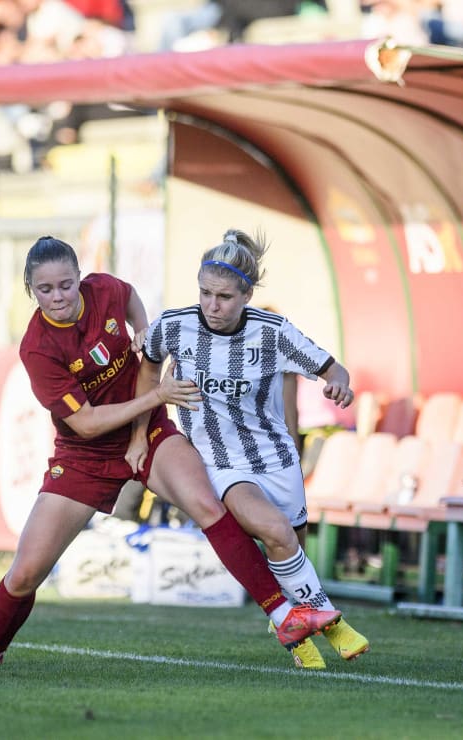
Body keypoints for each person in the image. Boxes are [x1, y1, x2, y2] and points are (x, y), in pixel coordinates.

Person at [0, 236, 342, 666]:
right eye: (45, 289)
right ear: (30, 290)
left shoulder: (106, 290)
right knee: (24, 574)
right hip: (85, 457)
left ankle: (283, 615)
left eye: (66, 284)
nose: (58, 296)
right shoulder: (38, 348)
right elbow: (88, 423)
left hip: (149, 434)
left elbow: (130, 298)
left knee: (207, 505)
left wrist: (141, 329)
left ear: (80, 278)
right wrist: (157, 396)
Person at [141, 230, 370, 670]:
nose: (212, 304)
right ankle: (333, 626)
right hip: (219, 463)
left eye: (224, 296)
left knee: (289, 551)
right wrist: (145, 420)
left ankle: (293, 634)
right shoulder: (175, 325)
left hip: (277, 459)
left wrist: (339, 383)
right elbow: (148, 361)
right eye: (205, 293)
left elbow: (330, 367)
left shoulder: (274, 332)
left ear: (247, 294)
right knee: (276, 532)